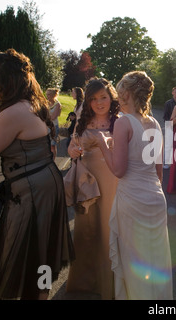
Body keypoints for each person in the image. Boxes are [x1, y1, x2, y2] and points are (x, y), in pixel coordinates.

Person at [0, 48, 75, 300]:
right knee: (39, 252)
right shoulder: (28, 105)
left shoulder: (14, 112)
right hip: (43, 184)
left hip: (32, 191)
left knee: (18, 253)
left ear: (6, 79)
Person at [98, 71, 173, 300]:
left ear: (127, 93)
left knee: (135, 263)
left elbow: (119, 171)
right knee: (156, 261)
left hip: (132, 199)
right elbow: (159, 172)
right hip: (155, 199)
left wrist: (102, 144)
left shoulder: (123, 123)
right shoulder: (155, 124)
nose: (118, 96)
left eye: (121, 92)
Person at [66, 78, 119, 300]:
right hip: (87, 182)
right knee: (86, 230)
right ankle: (85, 283)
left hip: (112, 181)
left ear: (111, 98)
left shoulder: (119, 121)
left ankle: (109, 286)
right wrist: (72, 151)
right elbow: (71, 146)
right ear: (88, 101)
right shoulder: (82, 120)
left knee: (108, 230)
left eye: (103, 97)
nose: (99, 103)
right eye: (94, 98)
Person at [163, 87, 176, 169]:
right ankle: (167, 163)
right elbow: (165, 116)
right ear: (172, 93)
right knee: (168, 145)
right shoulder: (168, 103)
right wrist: (169, 126)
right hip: (170, 126)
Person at [46, 88, 62, 159]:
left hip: (54, 127)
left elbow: (53, 117)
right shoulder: (46, 103)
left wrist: (45, 116)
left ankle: (53, 161)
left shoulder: (57, 104)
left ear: (53, 95)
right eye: (46, 94)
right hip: (46, 126)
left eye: (49, 95)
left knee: (52, 146)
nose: (47, 96)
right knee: (46, 145)